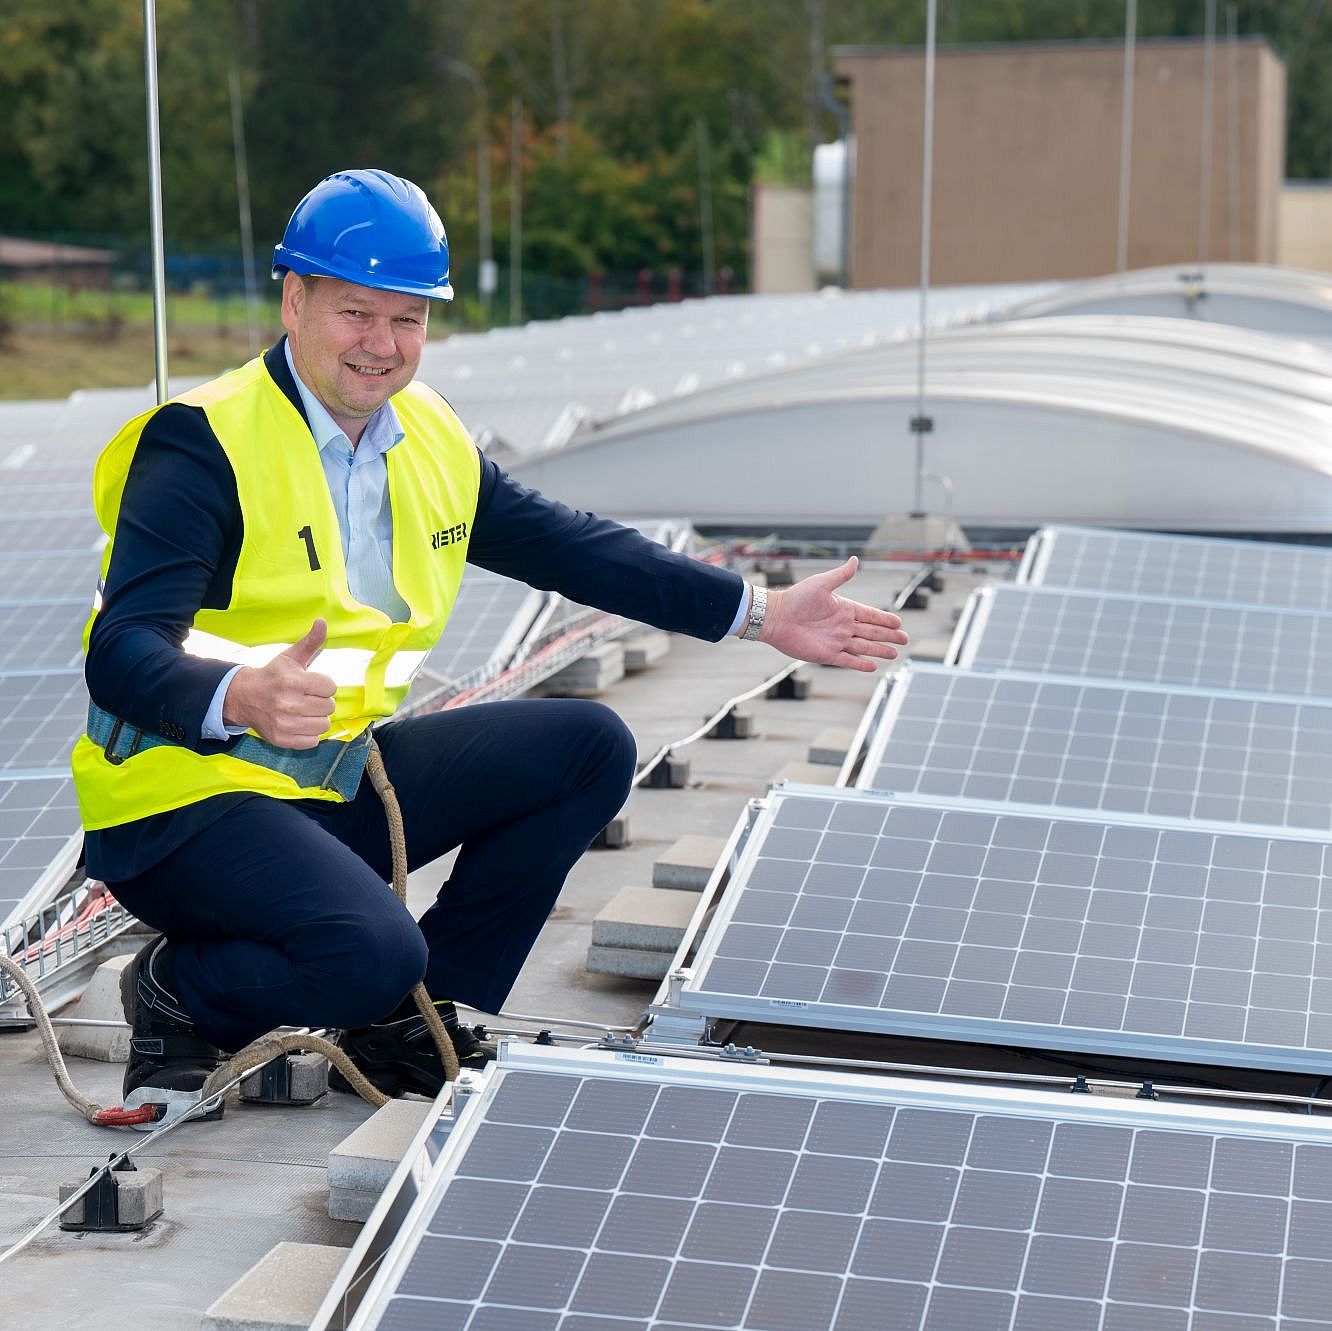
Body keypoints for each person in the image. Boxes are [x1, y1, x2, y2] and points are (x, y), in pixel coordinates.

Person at [73, 169, 908, 1116]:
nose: (382, 346)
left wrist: (761, 612)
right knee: (372, 949)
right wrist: (240, 696)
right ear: (294, 298)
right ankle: (179, 990)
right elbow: (122, 653)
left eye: (410, 320)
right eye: (356, 313)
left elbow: (576, 548)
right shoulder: (203, 444)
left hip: (331, 778)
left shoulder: (429, 438)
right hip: (189, 798)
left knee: (586, 748)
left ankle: (407, 1023)